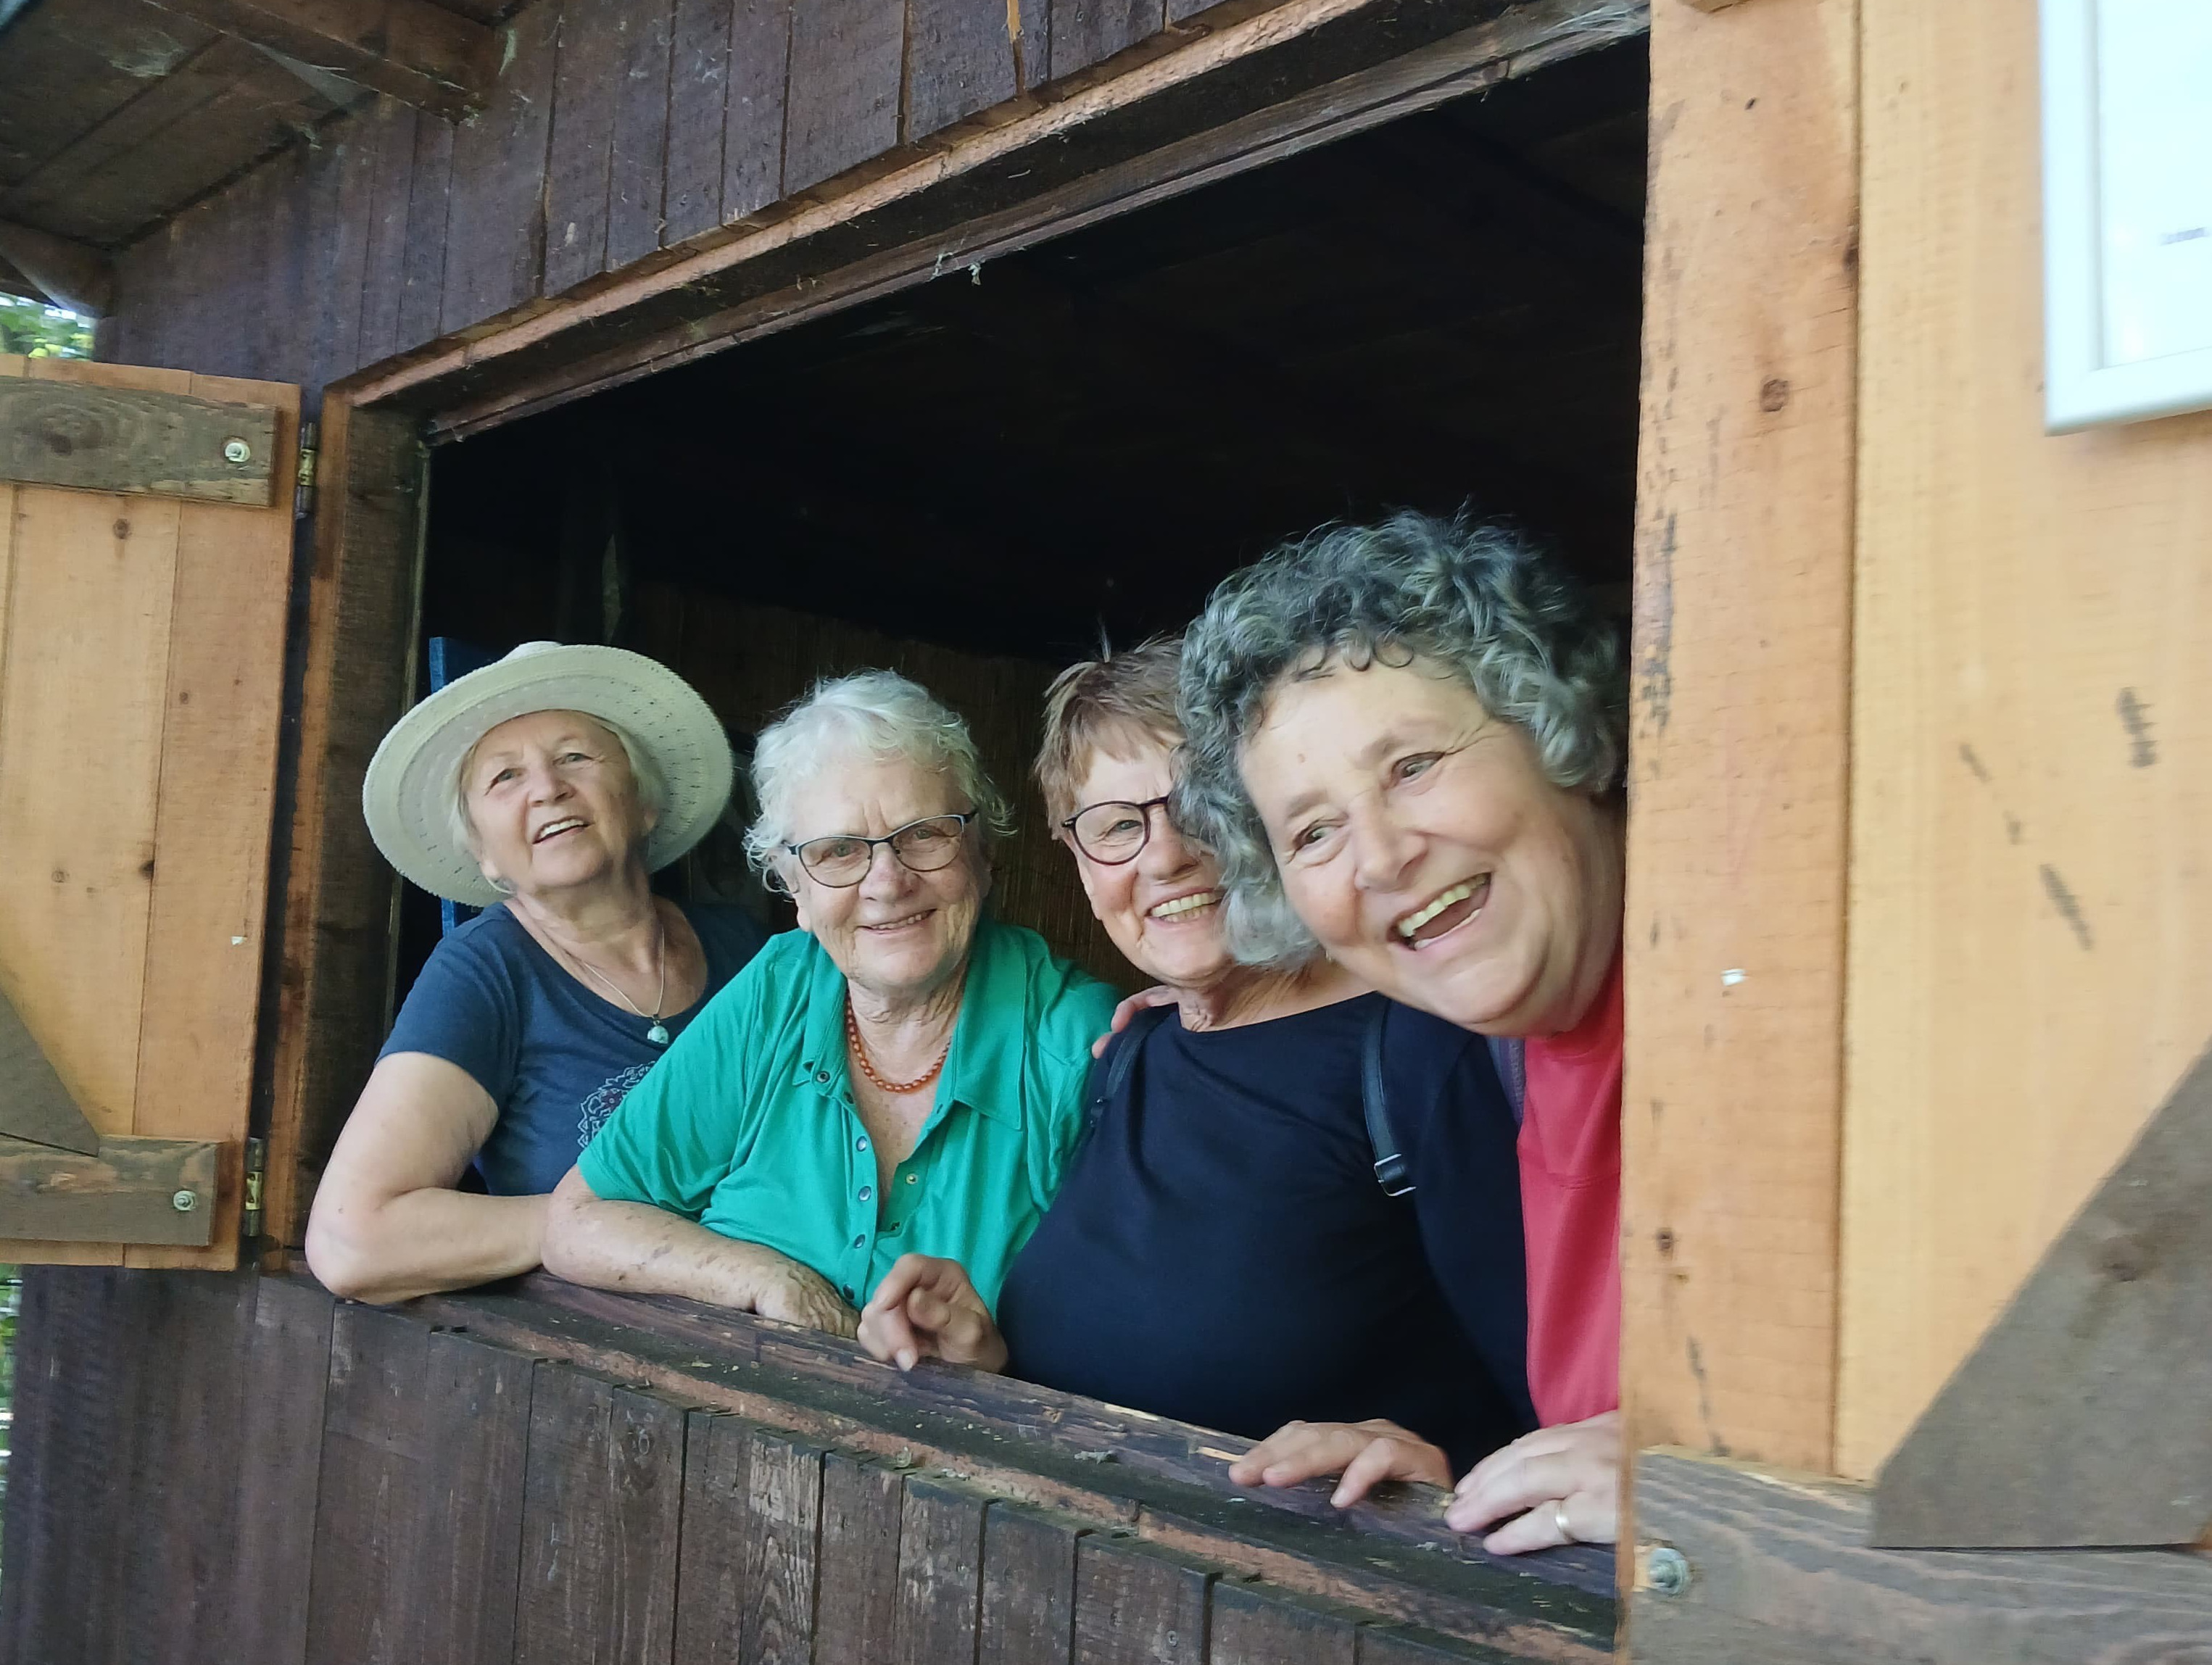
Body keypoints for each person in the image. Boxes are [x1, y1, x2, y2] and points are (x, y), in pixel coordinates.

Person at [857, 639, 1535, 1479]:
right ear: (1078, 863)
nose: (1165, 854)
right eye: (1115, 826)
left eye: (1202, 804)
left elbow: (1555, 1415)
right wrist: (984, 1355)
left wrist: (1444, 1474)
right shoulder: (1129, 1057)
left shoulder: (1414, 1055)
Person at [1172, 510, 1627, 1556]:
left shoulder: (1794, 988)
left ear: (1562, 728)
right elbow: (1603, 1459)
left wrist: (1723, 1496)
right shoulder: (1481, 1066)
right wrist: (1456, 1488)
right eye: (1312, 831)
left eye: (1413, 764)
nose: (1377, 857)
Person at [541, 670, 1119, 1335]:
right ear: (796, 890)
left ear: (982, 854)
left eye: (924, 833)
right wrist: (765, 1278)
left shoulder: (1078, 1041)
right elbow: (577, 1222)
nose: (887, 882)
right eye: (838, 851)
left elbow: (1126, 1346)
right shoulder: (778, 990)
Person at [306, 641, 768, 1305]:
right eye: (505, 777)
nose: (548, 788)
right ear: (486, 856)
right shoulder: (485, 971)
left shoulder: (746, 950)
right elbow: (354, 1239)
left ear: (643, 802)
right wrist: (609, 1231)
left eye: (575, 757)